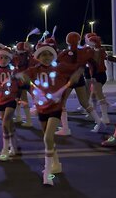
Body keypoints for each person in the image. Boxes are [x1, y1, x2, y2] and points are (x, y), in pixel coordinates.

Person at [18, 42, 83, 186]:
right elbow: (20, 76)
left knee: (48, 137)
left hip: (55, 107)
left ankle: (47, 173)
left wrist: (76, 76)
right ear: (38, 57)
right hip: (42, 108)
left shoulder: (60, 68)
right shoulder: (34, 70)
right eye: (43, 55)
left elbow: (78, 67)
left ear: (53, 55)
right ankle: (56, 163)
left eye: (48, 54)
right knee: (48, 139)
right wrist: (24, 79)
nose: (46, 57)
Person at [55, 32, 106, 136]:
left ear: (67, 41)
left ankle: (65, 129)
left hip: (69, 79)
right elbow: (94, 64)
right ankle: (99, 122)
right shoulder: (84, 52)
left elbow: (56, 64)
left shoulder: (64, 53)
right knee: (84, 103)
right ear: (79, 40)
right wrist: (93, 76)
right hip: (80, 79)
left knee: (62, 103)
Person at [0, 47, 20, 161]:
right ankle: (14, 146)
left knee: (5, 122)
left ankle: (5, 149)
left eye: (6, 57)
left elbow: (19, 85)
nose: (3, 59)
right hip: (0, 100)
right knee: (9, 124)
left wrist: (17, 97)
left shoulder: (13, 72)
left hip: (11, 99)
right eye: (1, 57)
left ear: (9, 59)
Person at [85, 33, 110, 124]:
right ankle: (94, 114)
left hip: (98, 75)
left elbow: (95, 64)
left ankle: (105, 117)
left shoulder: (95, 51)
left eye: (91, 41)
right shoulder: (99, 50)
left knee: (99, 95)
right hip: (100, 75)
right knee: (93, 95)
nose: (89, 43)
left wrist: (93, 77)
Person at [13, 40, 38, 127]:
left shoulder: (30, 59)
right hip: (23, 82)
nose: (20, 56)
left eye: (22, 54)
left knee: (25, 101)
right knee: (18, 100)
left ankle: (28, 121)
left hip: (26, 82)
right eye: (19, 53)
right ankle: (19, 117)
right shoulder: (28, 57)